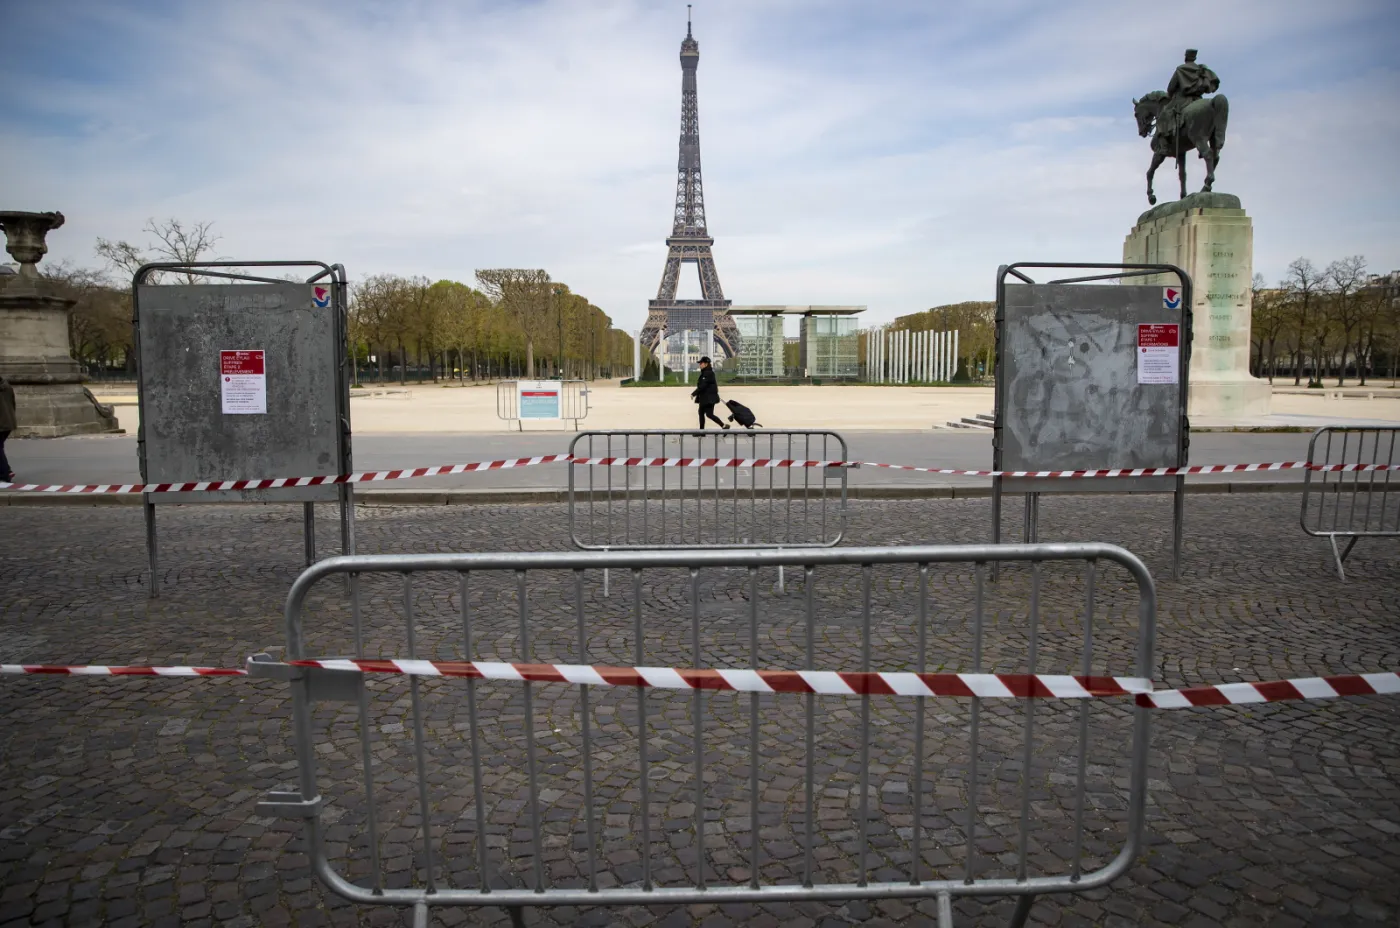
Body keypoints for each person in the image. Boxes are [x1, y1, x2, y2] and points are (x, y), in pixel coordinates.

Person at [1160, 49, 1220, 142]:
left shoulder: (1181, 69)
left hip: (1182, 100)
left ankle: (1164, 144)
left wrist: (1171, 95)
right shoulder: (1201, 70)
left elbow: (1171, 88)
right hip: (1198, 99)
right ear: (1194, 58)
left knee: (1165, 113)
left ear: (1186, 57)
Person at [690, 356, 728, 430]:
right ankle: (702, 431)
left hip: (709, 399)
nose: (700, 364)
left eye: (701, 363)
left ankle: (723, 426)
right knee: (701, 413)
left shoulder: (708, 373)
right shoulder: (706, 372)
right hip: (705, 398)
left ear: (706, 364)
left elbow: (702, 386)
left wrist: (693, 394)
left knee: (709, 414)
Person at [0, 373, 15, 482]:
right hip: (9, 422)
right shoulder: (7, 386)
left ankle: (5, 474)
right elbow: (13, 403)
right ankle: (7, 470)